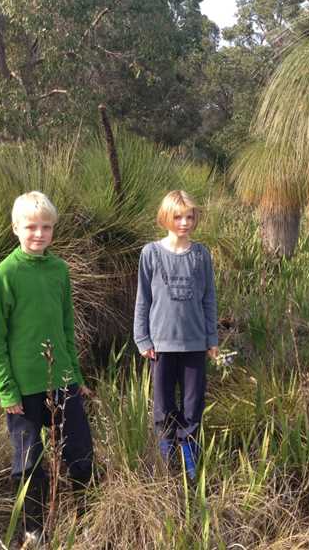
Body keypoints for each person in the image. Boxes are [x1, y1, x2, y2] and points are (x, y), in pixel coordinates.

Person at [0, 191, 94, 542]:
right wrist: (7, 391)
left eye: (46, 227)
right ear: (16, 228)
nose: (39, 234)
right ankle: (34, 530)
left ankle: (85, 518)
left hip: (62, 381)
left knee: (80, 452)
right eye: (31, 227)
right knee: (29, 463)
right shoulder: (5, 274)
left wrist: (75, 377)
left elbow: (66, 329)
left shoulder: (59, 270)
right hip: (23, 391)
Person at [133, 190, 218, 480]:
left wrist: (211, 338)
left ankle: (190, 460)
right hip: (161, 345)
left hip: (194, 343)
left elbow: (209, 299)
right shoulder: (151, 253)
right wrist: (142, 338)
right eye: (178, 217)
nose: (184, 222)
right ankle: (166, 460)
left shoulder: (201, 255)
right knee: (163, 406)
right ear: (166, 218)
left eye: (189, 217)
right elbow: (143, 299)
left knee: (192, 405)